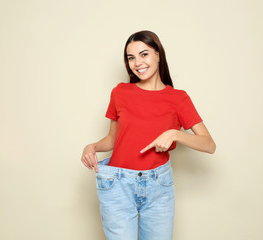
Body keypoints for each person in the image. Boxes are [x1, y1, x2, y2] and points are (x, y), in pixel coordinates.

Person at [81, 30, 216, 240]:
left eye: (144, 54)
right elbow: (112, 139)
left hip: (158, 187)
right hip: (118, 185)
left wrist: (175, 134)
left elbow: (209, 144)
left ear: (158, 55)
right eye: (131, 57)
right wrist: (92, 147)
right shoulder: (120, 92)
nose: (137, 63)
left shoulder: (178, 98)